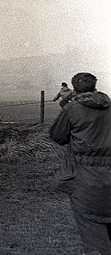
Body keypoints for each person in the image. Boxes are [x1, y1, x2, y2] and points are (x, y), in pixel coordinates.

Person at [49, 72, 111, 255]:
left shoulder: (72, 109)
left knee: (93, 237)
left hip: (86, 180)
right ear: (95, 86)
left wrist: (66, 107)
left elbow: (58, 136)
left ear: (74, 87)